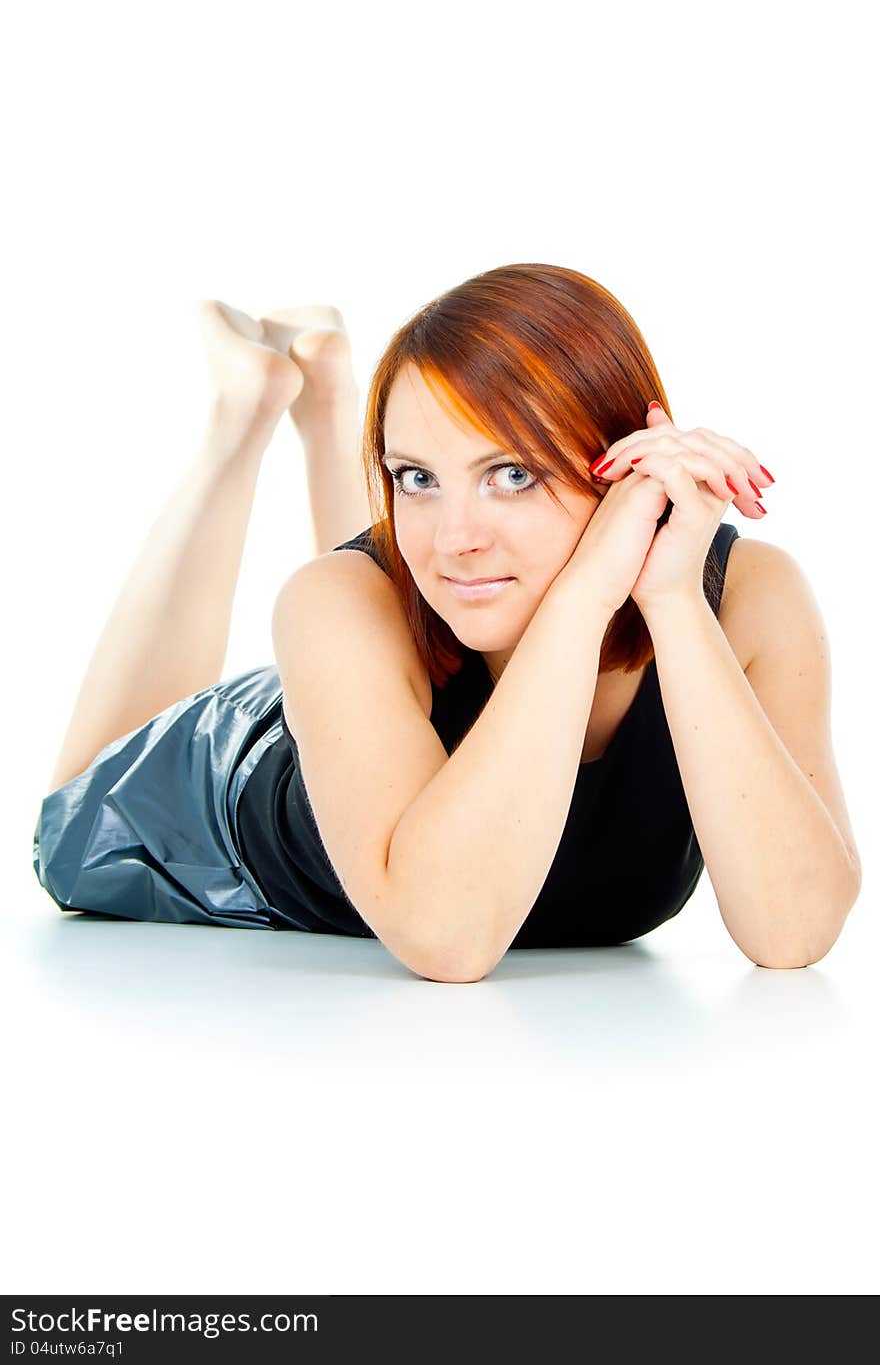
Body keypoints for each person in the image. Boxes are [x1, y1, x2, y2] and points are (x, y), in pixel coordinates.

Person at [32, 264, 862, 981]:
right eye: (415, 475)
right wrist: (581, 598)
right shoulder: (331, 606)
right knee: (62, 824)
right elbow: (449, 936)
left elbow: (794, 931)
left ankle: (323, 396)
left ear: (624, 465)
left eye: (511, 473)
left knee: (422, 589)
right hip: (229, 786)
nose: (455, 537)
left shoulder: (746, 597)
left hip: (390, 679)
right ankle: (244, 414)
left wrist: (671, 599)